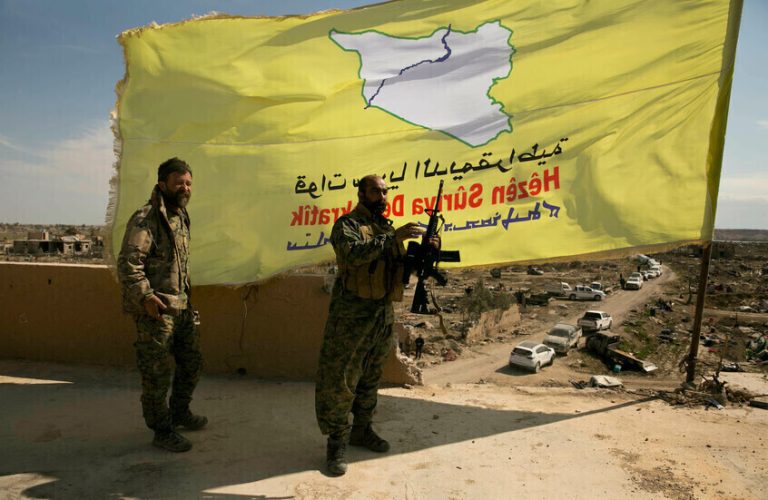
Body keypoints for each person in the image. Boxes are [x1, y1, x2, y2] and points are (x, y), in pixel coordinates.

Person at [315, 174, 435, 476]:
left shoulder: (386, 228)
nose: (382, 197)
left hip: (381, 316)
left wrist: (426, 250)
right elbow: (352, 254)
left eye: (385, 192)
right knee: (343, 381)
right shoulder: (347, 225)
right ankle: (336, 442)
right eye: (375, 191)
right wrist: (393, 238)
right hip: (351, 319)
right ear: (361, 194)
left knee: (370, 378)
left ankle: (362, 429)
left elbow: (398, 269)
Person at [117, 157, 206, 453]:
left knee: (192, 363)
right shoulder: (147, 218)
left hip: (181, 308)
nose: (185, 188)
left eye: (189, 183)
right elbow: (129, 263)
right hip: (155, 311)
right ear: (162, 184)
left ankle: (180, 412)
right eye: (179, 183)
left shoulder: (180, 215)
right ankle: (162, 430)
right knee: (156, 373)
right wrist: (145, 297)